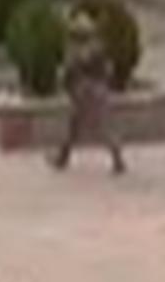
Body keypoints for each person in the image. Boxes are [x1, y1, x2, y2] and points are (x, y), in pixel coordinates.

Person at [51, 10, 125, 176]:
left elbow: (71, 67)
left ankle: (117, 159)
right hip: (97, 89)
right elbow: (109, 70)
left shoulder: (84, 49)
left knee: (97, 125)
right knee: (77, 125)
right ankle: (63, 157)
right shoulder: (97, 45)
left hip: (86, 90)